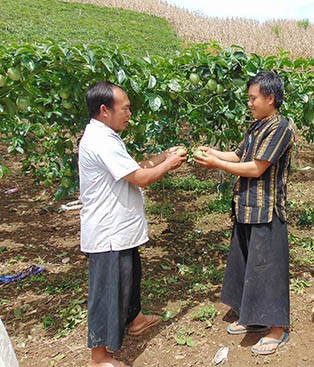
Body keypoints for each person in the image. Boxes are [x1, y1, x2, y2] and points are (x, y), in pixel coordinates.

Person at [79, 80, 187, 367]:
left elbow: (135, 168)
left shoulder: (107, 136)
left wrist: (163, 155)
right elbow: (141, 178)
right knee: (107, 291)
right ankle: (99, 357)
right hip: (108, 232)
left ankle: (135, 319)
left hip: (119, 229)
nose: (129, 114)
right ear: (104, 110)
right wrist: (170, 165)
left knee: (129, 277)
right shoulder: (100, 140)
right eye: (125, 108)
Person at [193, 71, 295, 355]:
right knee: (249, 265)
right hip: (246, 207)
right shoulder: (257, 126)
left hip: (267, 209)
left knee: (269, 271)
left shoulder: (280, 128)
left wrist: (216, 165)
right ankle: (253, 318)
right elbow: (240, 157)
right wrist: (211, 152)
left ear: (270, 98)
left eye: (253, 98)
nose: (249, 103)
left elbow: (256, 167)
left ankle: (276, 328)